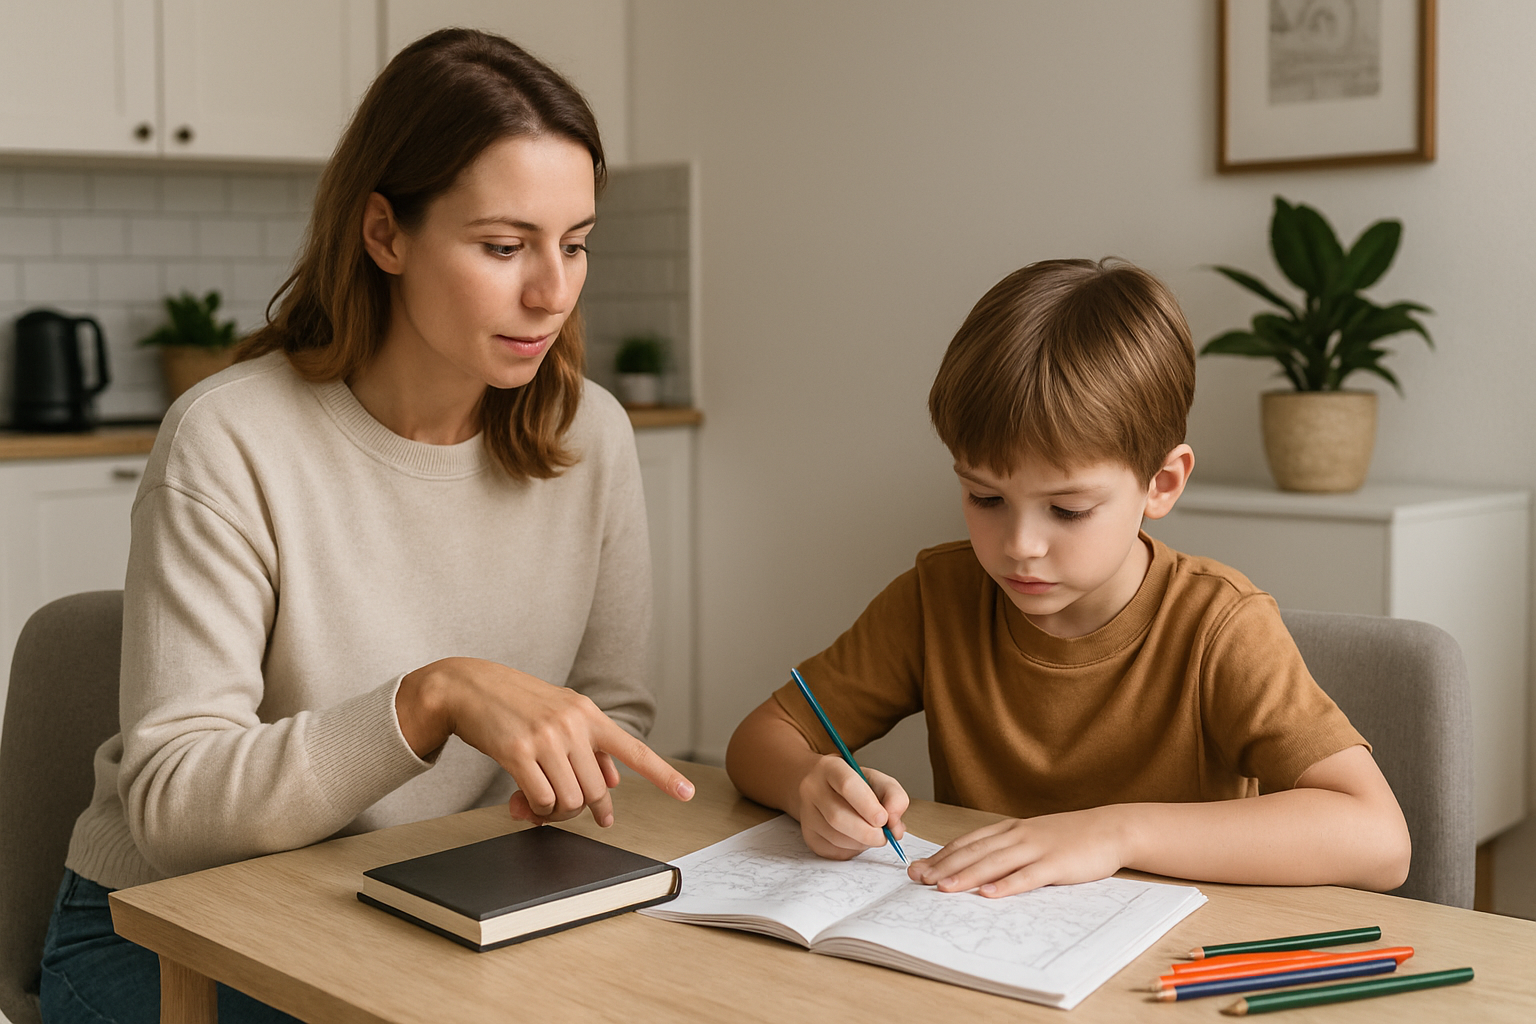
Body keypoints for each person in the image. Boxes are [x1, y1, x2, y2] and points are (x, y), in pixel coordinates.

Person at [41, 29, 692, 1024]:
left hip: (432, 899)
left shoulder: (586, 432)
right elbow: (170, 810)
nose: (552, 292)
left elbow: (612, 711)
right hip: (165, 922)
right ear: (384, 233)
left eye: (575, 244)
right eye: (504, 246)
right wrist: (429, 699)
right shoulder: (230, 437)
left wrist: (560, 786)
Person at [726, 258, 1410, 899]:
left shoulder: (1218, 626)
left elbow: (1379, 839)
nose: (1019, 546)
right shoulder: (938, 597)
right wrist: (808, 784)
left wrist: (1115, 831)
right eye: (985, 499)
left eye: (1068, 509)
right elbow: (760, 739)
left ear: (1161, 483)